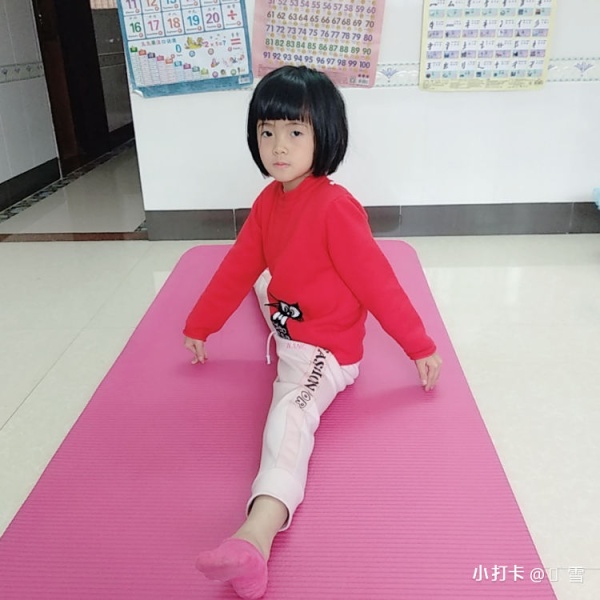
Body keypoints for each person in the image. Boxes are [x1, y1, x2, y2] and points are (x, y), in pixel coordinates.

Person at [183, 65, 442, 599]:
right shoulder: (268, 202)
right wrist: (201, 324)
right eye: (267, 131)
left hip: (322, 350)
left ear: (324, 135)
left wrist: (419, 345)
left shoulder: (335, 209)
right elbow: (237, 267)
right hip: (287, 316)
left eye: (295, 131)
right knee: (261, 278)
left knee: (290, 417)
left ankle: (255, 536)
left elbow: (378, 284)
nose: (279, 146)